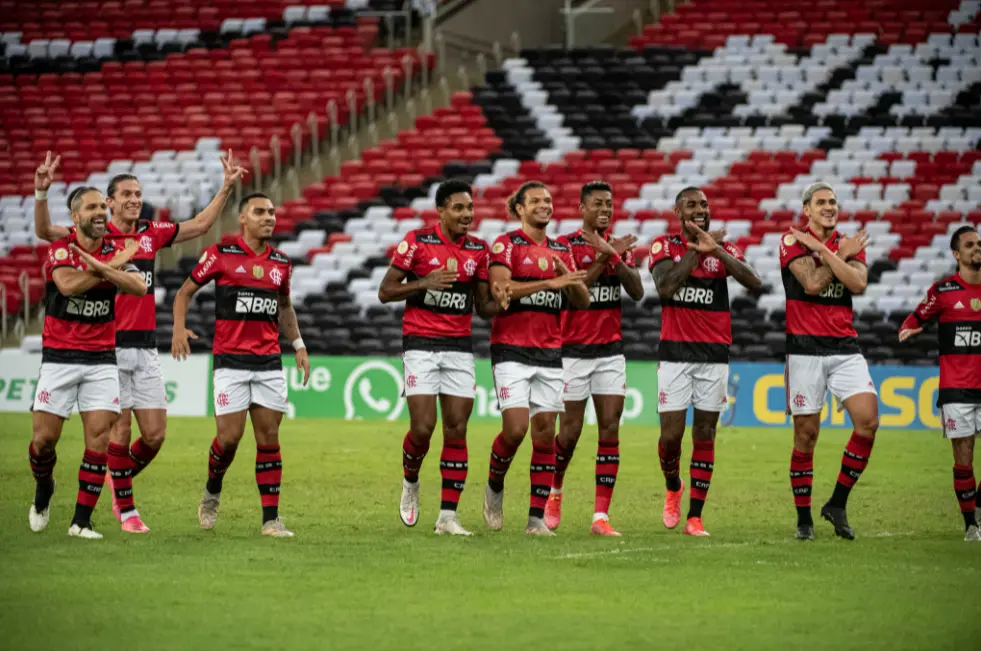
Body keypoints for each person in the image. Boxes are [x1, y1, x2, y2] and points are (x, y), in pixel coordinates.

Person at [33, 150, 247, 533]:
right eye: (126, 194)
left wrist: (226, 188)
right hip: (107, 346)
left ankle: (114, 478)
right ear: (109, 202)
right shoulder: (98, 235)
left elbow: (199, 225)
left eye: (138, 193)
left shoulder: (150, 232)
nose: (134, 199)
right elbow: (47, 231)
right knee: (117, 430)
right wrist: (41, 194)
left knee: (155, 435)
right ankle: (127, 510)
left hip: (146, 347)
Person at [171, 192, 310, 537]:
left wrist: (298, 344)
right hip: (230, 362)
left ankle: (270, 520)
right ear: (242, 219)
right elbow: (184, 292)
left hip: (268, 363)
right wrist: (178, 328)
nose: (269, 217)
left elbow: (284, 307)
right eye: (260, 212)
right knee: (229, 439)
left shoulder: (280, 262)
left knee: (269, 439)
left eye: (272, 212)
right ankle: (212, 491)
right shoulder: (221, 254)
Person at [378, 179, 499, 536]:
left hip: (459, 347)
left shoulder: (478, 249)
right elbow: (385, 291)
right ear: (441, 210)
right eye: (459, 208)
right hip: (420, 343)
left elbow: (483, 307)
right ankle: (411, 481)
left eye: (470, 208)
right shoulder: (416, 242)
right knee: (423, 427)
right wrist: (422, 283)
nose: (467, 214)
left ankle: (448, 516)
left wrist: (503, 301)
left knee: (457, 429)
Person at [28, 187, 147, 539]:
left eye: (101, 207)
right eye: (92, 207)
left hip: (101, 360)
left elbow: (138, 286)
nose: (99, 212)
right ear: (75, 217)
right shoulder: (61, 249)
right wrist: (107, 267)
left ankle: (81, 521)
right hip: (59, 359)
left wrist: (107, 266)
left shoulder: (115, 248)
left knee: (98, 442)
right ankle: (44, 488)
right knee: (43, 443)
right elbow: (66, 286)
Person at [649, 186, 761, 537]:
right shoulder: (664, 246)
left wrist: (717, 252)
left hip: (714, 355)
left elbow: (753, 281)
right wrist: (696, 253)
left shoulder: (723, 248)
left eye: (704, 204)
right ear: (678, 213)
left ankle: (695, 517)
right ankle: (673, 486)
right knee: (670, 437)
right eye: (692, 205)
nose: (700, 210)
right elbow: (666, 287)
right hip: (675, 355)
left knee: (705, 433)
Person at [483, 181, 591, 535]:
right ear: (519, 208)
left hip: (549, 350)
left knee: (545, 436)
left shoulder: (561, 249)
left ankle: (535, 519)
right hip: (511, 348)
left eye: (548, 199)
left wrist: (565, 278)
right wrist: (547, 284)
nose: (545, 205)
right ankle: (494, 486)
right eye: (536, 201)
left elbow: (583, 299)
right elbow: (502, 290)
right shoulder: (507, 244)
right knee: (515, 429)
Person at [544, 181, 644, 536]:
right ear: (582, 208)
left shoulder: (618, 247)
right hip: (571, 351)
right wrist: (605, 254)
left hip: (610, 352)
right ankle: (554, 491)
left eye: (609, 204)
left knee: (610, 429)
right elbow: (577, 289)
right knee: (568, 434)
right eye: (598, 204)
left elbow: (637, 291)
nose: (605, 210)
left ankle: (600, 516)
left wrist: (615, 255)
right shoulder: (566, 246)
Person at [779, 181, 877, 541]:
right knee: (807, 435)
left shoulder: (846, 243)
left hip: (845, 348)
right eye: (821, 202)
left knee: (868, 422)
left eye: (833, 201)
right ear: (806, 209)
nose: (829, 207)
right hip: (804, 349)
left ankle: (837, 502)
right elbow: (811, 283)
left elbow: (857, 284)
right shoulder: (790, 240)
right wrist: (839, 254)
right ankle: (804, 518)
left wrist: (823, 249)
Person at [899, 225, 981, 542]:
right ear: (957, 254)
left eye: (979, 244)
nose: (977, 248)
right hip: (956, 387)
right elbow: (917, 317)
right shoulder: (943, 292)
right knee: (964, 455)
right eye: (970, 245)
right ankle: (970, 525)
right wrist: (910, 328)